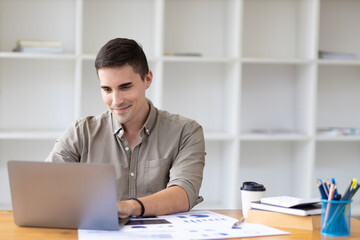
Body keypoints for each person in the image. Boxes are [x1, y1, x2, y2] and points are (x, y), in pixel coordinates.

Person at [46, 38, 206, 219]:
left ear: (147, 79)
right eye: (107, 90)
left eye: (125, 87)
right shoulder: (80, 133)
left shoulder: (186, 132)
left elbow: (184, 193)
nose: (116, 101)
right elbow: (47, 185)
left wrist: (130, 207)